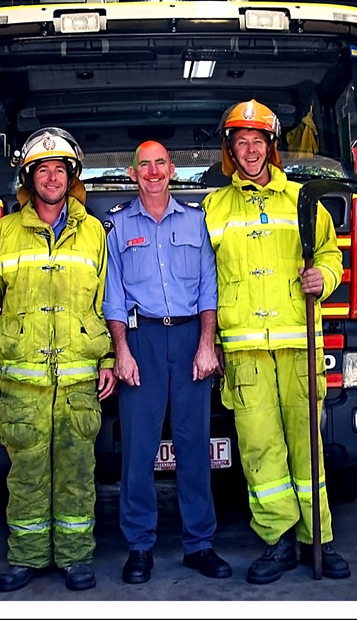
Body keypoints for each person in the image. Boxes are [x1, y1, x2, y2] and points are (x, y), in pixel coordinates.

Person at [0, 127, 116, 592]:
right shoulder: (4, 232)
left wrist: (106, 358)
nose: (51, 177)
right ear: (29, 177)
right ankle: (26, 557)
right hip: (23, 380)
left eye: (59, 169)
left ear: (71, 177)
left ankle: (76, 558)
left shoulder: (93, 235)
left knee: (77, 474)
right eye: (42, 169)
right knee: (25, 476)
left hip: (79, 378)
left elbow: (107, 302)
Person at [201, 100, 351, 585]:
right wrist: (213, 341)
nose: (249, 149)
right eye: (240, 141)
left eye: (257, 140)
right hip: (244, 353)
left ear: (271, 145)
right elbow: (205, 279)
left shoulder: (303, 200)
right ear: (230, 149)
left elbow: (330, 256)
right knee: (261, 452)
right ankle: (279, 541)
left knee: (308, 449)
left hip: (299, 346)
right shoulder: (213, 207)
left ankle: (318, 540)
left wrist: (322, 277)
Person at [102, 140, 231, 584]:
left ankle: (199, 543)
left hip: (192, 335)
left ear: (172, 170)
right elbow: (114, 296)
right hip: (143, 340)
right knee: (138, 449)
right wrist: (121, 350)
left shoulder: (198, 222)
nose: (153, 172)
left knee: (194, 445)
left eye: (160, 164)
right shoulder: (117, 227)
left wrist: (206, 343)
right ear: (134, 173)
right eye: (144, 165)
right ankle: (139, 546)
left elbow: (209, 288)